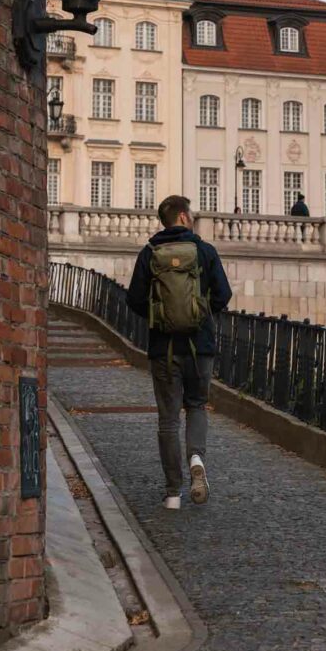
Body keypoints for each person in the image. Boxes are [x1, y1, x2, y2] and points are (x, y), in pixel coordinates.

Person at [126, 195, 232, 510]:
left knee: (168, 420)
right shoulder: (204, 251)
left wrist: (160, 316)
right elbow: (223, 294)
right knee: (197, 405)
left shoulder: (150, 253)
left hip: (164, 349)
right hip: (200, 347)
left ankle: (173, 492)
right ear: (184, 217)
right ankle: (196, 458)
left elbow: (133, 299)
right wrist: (200, 315)